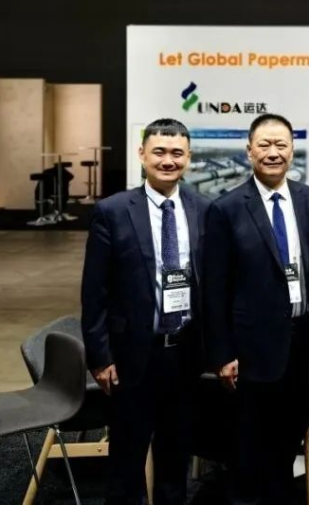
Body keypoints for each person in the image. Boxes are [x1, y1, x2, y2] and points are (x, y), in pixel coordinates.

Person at [203, 113, 309, 504]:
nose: (273, 152)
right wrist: (222, 353)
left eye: (281, 145)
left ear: (292, 150)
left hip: (300, 340)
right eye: (264, 145)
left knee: (288, 434)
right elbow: (215, 289)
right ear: (249, 151)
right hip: (250, 348)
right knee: (249, 442)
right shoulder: (226, 208)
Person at [81, 118, 209, 504]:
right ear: (142, 154)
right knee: (127, 458)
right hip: (131, 355)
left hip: (185, 353)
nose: (168, 160)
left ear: (188, 157)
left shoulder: (204, 209)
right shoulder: (113, 210)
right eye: (159, 152)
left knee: (176, 453)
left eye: (177, 153)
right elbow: (95, 291)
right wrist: (100, 357)